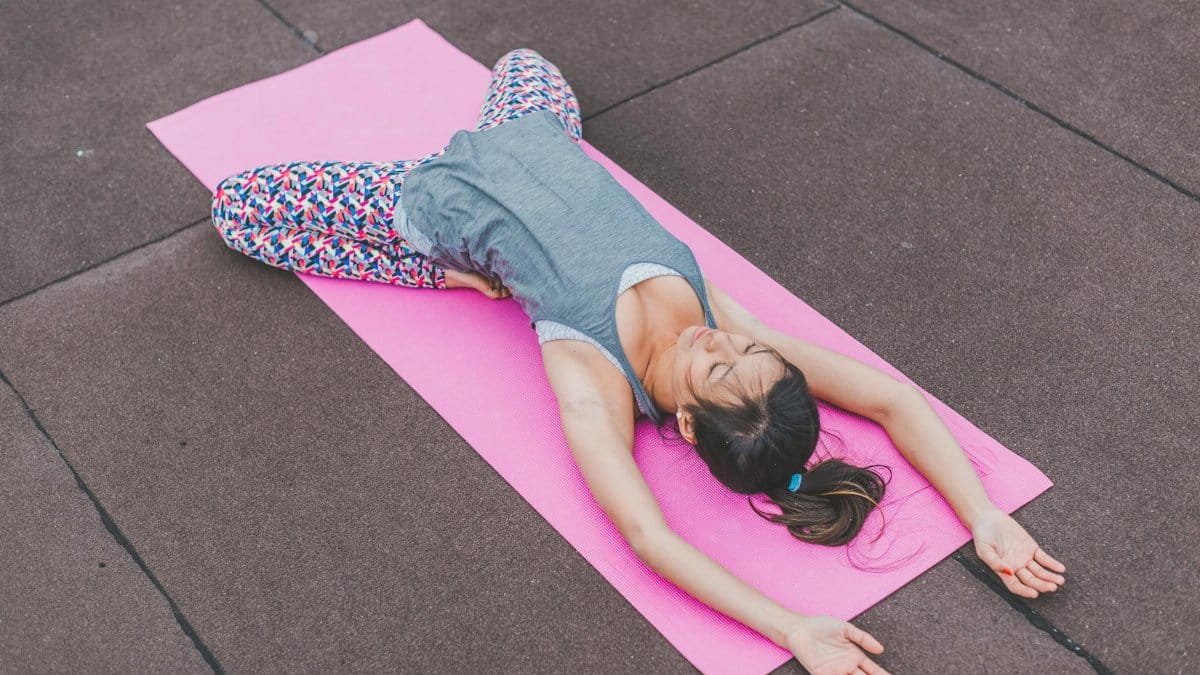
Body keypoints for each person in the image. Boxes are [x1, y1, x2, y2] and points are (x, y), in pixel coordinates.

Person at [210, 47, 1067, 675]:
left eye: (717, 368)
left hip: (431, 195)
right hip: (531, 131)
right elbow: (887, 398)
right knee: (525, 58)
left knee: (237, 214)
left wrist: (791, 625)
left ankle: (434, 265)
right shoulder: (734, 332)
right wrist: (982, 513)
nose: (719, 341)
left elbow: (648, 532)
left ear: (686, 421)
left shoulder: (592, 381)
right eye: (745, 351)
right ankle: (465, 261)